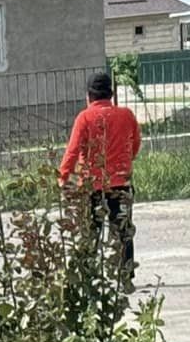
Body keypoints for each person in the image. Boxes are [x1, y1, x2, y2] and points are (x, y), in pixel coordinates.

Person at [59, 71, 142, 280]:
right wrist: (126, 160)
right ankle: (126, 275)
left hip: (91, 187)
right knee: (123, 232)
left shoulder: (84, 117)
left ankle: (89, 275)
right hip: (121, 184)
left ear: (89, 96)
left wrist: (63, 178)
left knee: (91, 233)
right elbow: (135, 144)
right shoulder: (127, 115)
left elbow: (72, 150)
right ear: (111, 94)